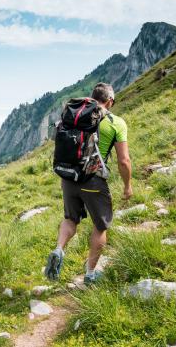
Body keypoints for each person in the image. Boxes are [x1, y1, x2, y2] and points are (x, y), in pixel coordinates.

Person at [44, 82, 132, 285]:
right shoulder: (115, 122)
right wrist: (128, 186)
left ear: (93, 97)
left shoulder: (75, 114)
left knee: (70, 219)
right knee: (100, 226)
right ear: (109, 101)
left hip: (68, 177)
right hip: (93, 179)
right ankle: (91, 273)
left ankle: (59, 249)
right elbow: (124, 160)